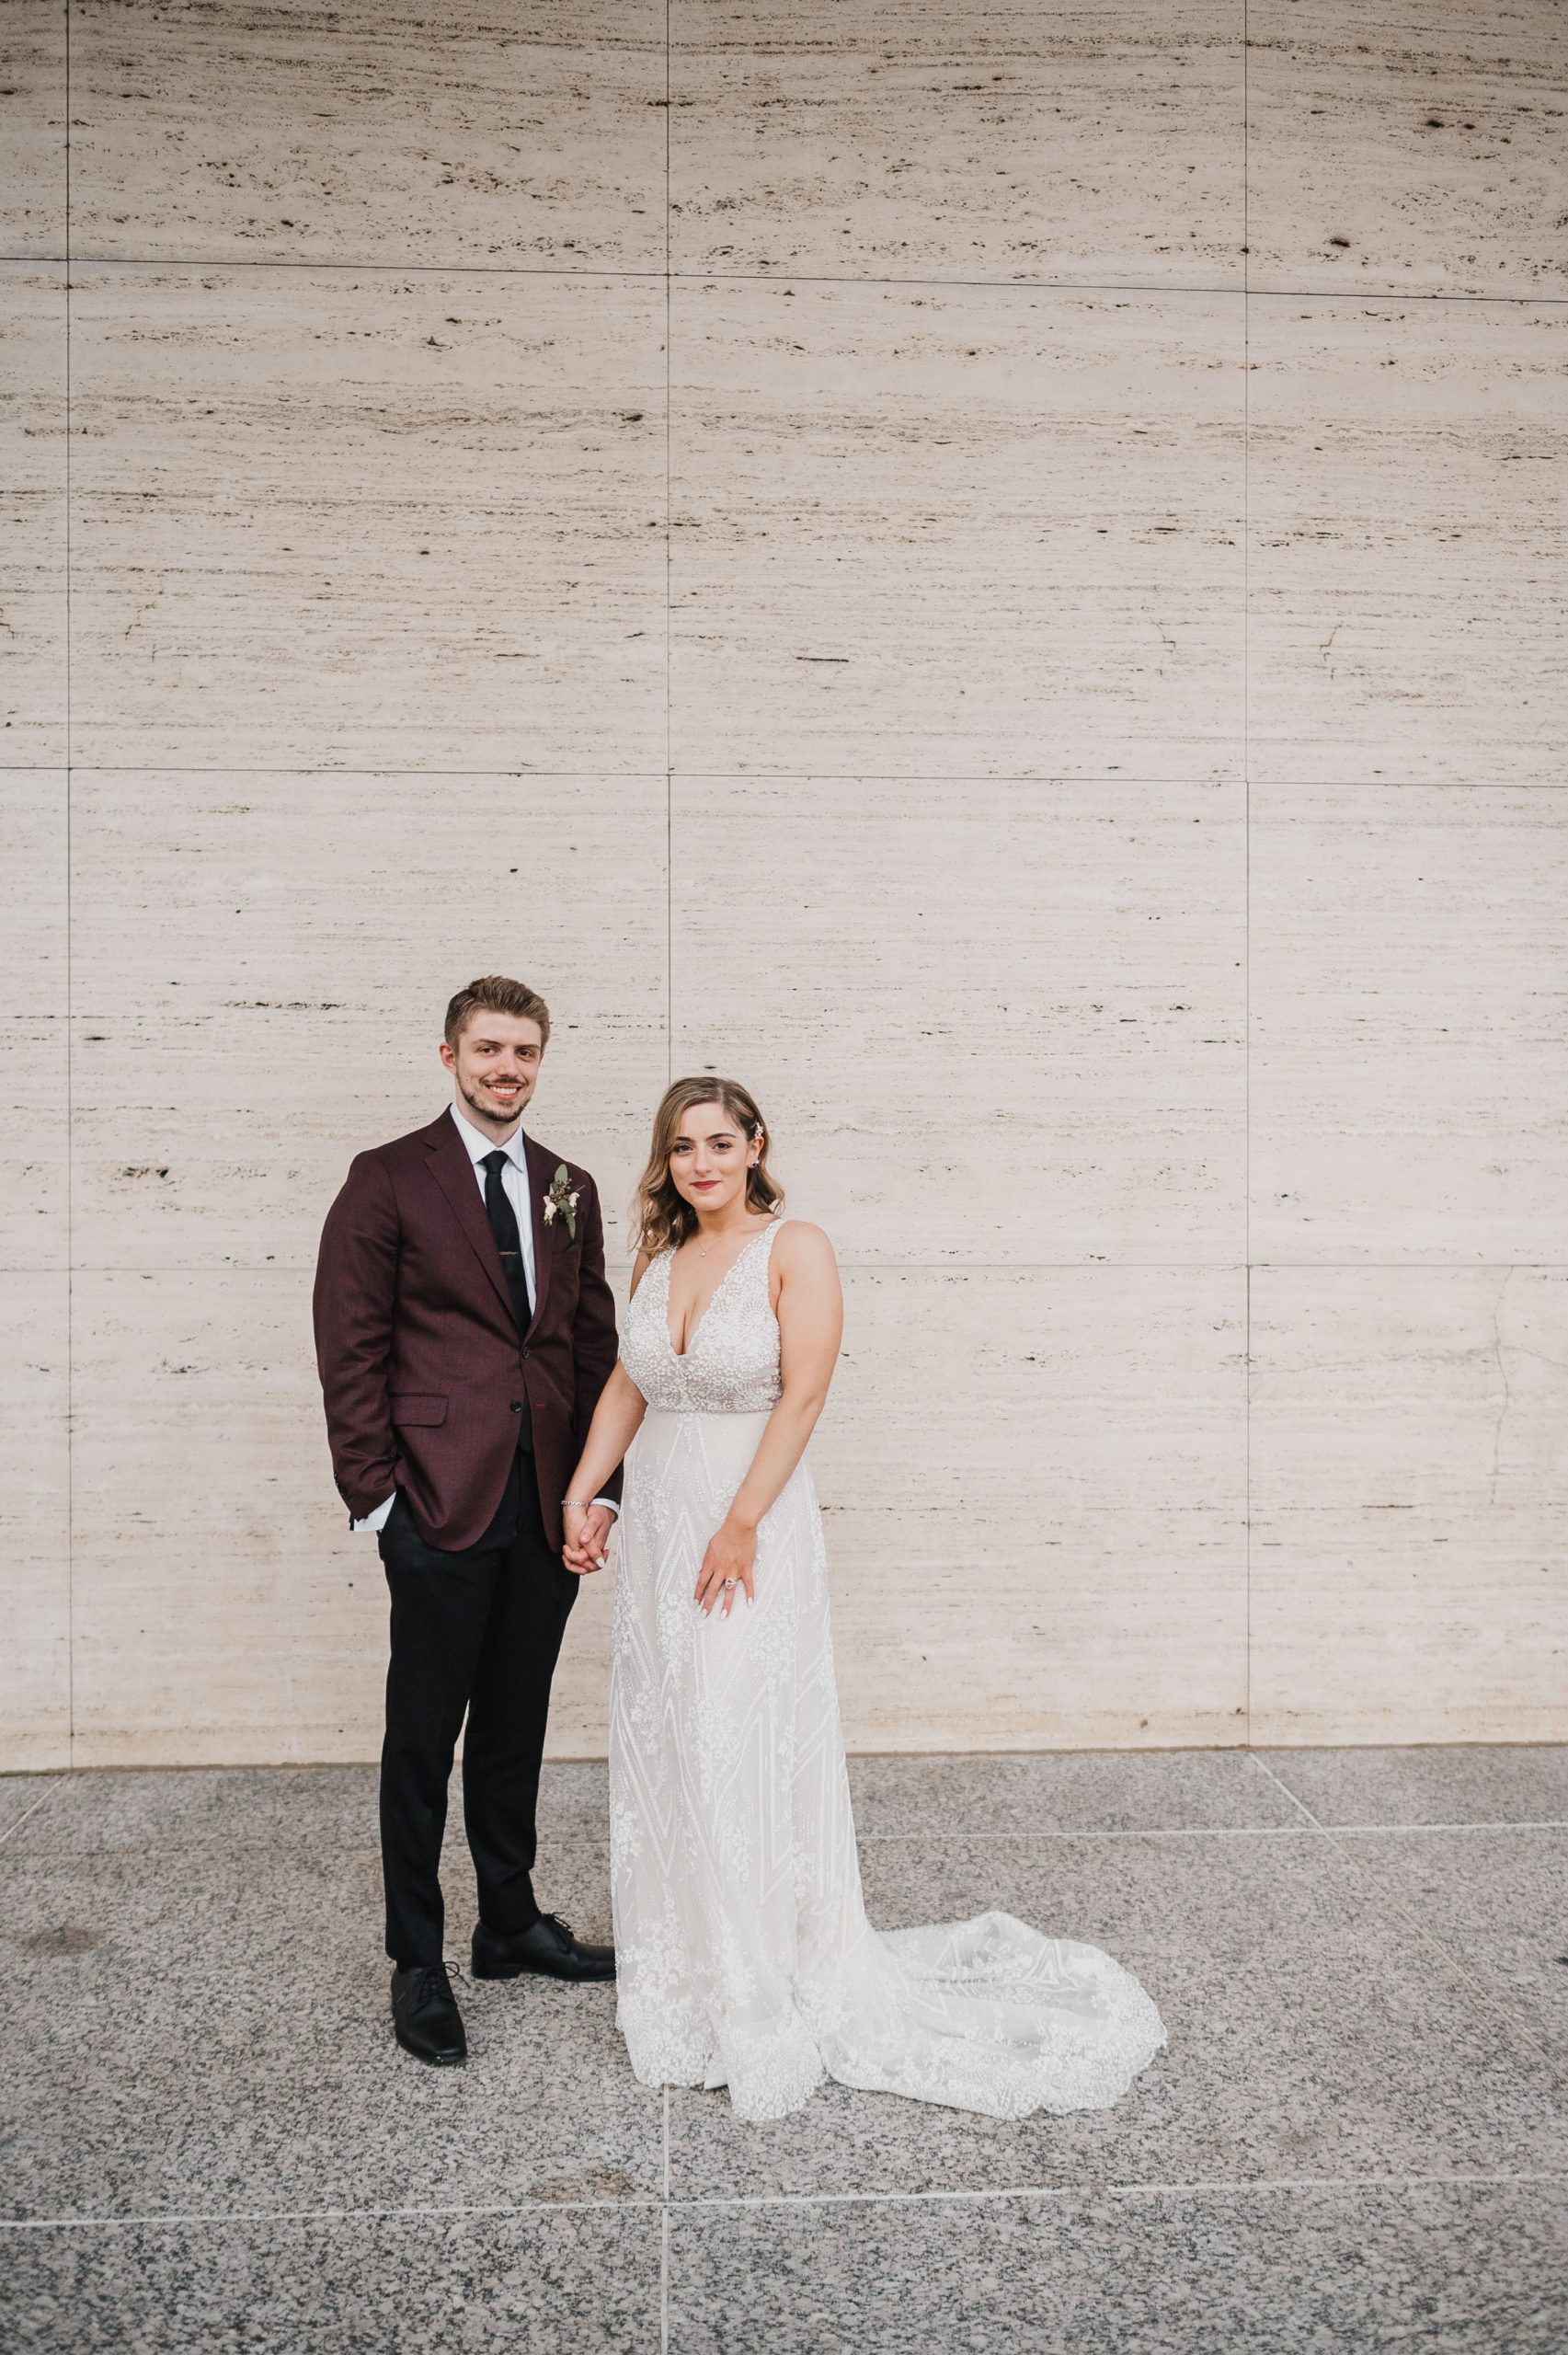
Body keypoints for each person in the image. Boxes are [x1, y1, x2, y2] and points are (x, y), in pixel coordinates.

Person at [561, 1078, 1168, 2122]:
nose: (701, 1163)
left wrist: (742, 1522)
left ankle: (761, 1973)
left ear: (756, 1146)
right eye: (682, 1147)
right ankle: (689, 1968)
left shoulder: (795, 1247)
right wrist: (586, 1492)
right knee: (671, 1731)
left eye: (720, 1143)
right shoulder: (657, 1257)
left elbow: (803, 1394)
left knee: (733, 1730)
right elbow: (629, 1382)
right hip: (659, 1516)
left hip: (748, 1517)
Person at [313, 977, 622, 2067]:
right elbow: (349, 1340)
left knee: (514, 1721)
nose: (507, 1068)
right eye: (488, 1048)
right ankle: (416, 1958)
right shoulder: (389, 1177)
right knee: (422, 1736)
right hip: (436, 1501)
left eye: (524, 1051)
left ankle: (508, 1921)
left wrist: (600, 1488)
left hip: (546, 1505)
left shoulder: (570, 1187)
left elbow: (592, 1349)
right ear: (448, 1055)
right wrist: (379, 1497)